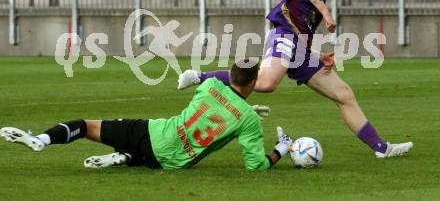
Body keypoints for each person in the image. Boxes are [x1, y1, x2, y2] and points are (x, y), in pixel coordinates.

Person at [178, 0, 413, 158]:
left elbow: (303, 33)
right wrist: (326, 10)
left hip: (300, 48)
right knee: (266, 84)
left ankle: (381, 148)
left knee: (344, 95)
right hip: (283, 35)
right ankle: (199, 76)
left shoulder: (319, 5)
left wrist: (317, 54)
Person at [0, 60, 291, 170]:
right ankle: (124, 157)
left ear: (230, 74)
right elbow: (256, 165)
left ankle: (41, 139)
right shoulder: (248, 121)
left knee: (86, 126)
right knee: (143, 155)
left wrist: (240, 107)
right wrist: (281, 150)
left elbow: (214, 104)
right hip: (171, 163)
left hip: (153, 133)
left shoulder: (213, 85)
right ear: (254, 83)